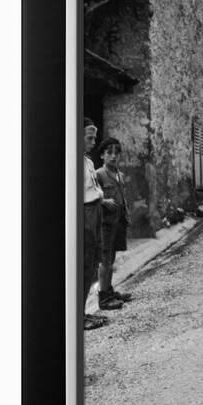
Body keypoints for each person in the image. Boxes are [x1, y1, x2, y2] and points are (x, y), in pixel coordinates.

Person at [83, 118, 116, 330]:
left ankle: (83, 312)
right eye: (89, 138)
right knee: (84, 265)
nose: (94, 142)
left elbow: (93, 191)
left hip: (95, 210)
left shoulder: (87, 161)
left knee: (93, 264)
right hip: (84, 215)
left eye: (94, 138)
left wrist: (102, 201)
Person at [96, 137, 132, 309]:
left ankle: (110, 290)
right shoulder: (99, 175)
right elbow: (90, 196)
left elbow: (122, 196)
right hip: (105, 224)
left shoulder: (119, 174)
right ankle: (103, 298)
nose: (113, 156)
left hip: (118, 222)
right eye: (109, 152)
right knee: (105, 261)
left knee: (112, 258)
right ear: (102, 155)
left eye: (116, 153)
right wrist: (104, 202)